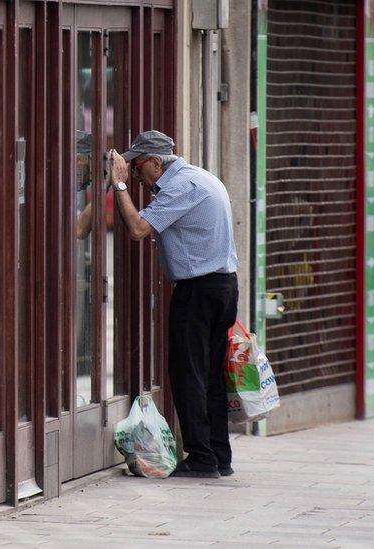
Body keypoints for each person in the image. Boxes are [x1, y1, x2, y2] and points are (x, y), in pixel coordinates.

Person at [106, 130, 239, 479]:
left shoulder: (182, 187)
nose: (135, 176)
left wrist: (118, 186)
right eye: (130, 172)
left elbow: (137, 228)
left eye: (136, 169)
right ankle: (218, 455)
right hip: (221, 286)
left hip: (199, 290)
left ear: (154, 162)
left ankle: (201, 457)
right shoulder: (200, 177)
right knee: (209, 374)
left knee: (188, 374)